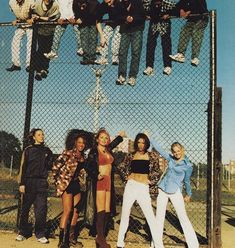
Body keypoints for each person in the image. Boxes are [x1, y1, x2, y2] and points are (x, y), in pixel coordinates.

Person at [150, 137, 199, 248]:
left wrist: (189, 194)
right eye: (174, 151)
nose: (176, 153)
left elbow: (186, 181)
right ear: (172, 152)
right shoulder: (171, 159)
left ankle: (194, 245)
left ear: (182, 150)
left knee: (183, 217)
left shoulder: (188, 165)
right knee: (159, 217)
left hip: (175, 191)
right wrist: (150, 138)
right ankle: (156, 244)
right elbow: (160, 150)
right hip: (163, 189)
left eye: (178, 151)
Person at [116, 133, 162, 248]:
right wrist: (127, 176)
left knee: (150, 216)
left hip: (143, 188)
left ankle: (158, 244)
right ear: (136, 143)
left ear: (146, 144)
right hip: (131, 186)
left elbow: (158, 171)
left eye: (143, 143)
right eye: (139, 142)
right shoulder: (131, 155)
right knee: (125, 213)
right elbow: (121, 167)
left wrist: (150, 180)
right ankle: (120, 243)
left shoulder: (152, 156)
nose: (141, 145)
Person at [52, 129, 92, 248]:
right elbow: (55, 168)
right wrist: (58, 182)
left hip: (76, 186)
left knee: (75, 212)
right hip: (67, 185)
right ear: (75, 142)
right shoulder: (68, 153)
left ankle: (71, 239)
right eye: (79, 142)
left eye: (83, 143)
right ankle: (62, 242)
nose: (81, 145)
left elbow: (81, 171)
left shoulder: (83, 157)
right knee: (68, 210)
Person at [86, 128, 125, 248]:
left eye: (106, 138)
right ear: (97, 139)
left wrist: (120, 137)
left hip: (108, 182)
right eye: (101, 137)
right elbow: (87, 165)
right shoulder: (94, 151)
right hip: (100, 181)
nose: (104, 139)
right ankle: (101, 239)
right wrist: (95, 174)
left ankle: (100, 237)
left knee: (107, 210)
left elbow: (112, 144)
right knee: (101, 210)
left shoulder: (108, 150)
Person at [16, 128, 53, 244]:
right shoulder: (28, 150)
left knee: (41, 210)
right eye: (39, 134)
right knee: (25, 208)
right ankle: (22, 232)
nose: (42, 136)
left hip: (41, 183)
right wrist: (22, 183)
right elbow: (23, 167)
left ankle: (40, 233)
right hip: (29, 182)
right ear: (34, 137)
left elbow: (50, 166)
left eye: (43, 134)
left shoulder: (47, 151)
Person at [115, 0, 145, 87]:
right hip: (125, 30)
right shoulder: (120, 4)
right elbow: (116, 17)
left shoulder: (138, 2)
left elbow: (143, 16)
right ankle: (121, 76)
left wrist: (133, 18)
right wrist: (125, 18)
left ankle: (132, 77)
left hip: (137, 29)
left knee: (135, 53)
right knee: (122, 53)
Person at [169, 0, 209, 67]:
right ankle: (181, 55)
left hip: (202, 17)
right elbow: (176, 6)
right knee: (184, 30)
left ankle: (195, 57)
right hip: (192, 19)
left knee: (196, 32)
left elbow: (200, 8)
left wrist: (189, 11)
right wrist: (181, 10)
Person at [143, 0, 176, 77]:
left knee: (166, 44)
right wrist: (145, 15)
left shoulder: (167, 3)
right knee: (150, 44)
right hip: (154, 24)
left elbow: (177, 7)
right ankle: (149, 67)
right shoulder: (148, 3)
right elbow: (141, 8)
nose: (157, 3)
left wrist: (169, 14)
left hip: (164, 24)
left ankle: (168, 66)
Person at [32, 0, 60, 81]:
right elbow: (32, 13)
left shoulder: (55, 5)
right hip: (40, 30)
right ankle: (38, 70)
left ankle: (44, 69)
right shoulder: (37, 4)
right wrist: (34, 17)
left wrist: (40, 18)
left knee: (47, 51)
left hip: (50, 31)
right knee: (40, 50)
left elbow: (53, 18)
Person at [73, 0, 105, 65]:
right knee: (84, 38)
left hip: (93, 21)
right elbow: (76, 12)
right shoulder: (75, 3)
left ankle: (92, 58)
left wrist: (101, 36)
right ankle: (86, 58)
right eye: (80, 6)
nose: (81, 8)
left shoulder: (94, 4)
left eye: (83, 6)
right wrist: (77, 18)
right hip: (83, 22)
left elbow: (96, 19)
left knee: (93, 38)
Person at [6, 0, 35, 72]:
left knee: (30, 43)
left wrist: (32, 19)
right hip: (21, 24)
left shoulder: (30, 1)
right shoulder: (11, 2)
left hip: (31, 25)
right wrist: (16, 20)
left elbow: (37, 12)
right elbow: (16, 12)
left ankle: (29, 65)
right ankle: (16, 64)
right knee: (15, 41)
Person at [95, 0, 121, 66]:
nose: (108, 4)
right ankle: (103, 58)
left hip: (122, 22)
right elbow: (97, 21)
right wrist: (102, 37)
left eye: (110, 2)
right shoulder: (103, 5)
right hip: (111, 21)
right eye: (107, 3)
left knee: (116, 38)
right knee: (105, 33)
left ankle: (115, 58)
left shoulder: (120, 2)